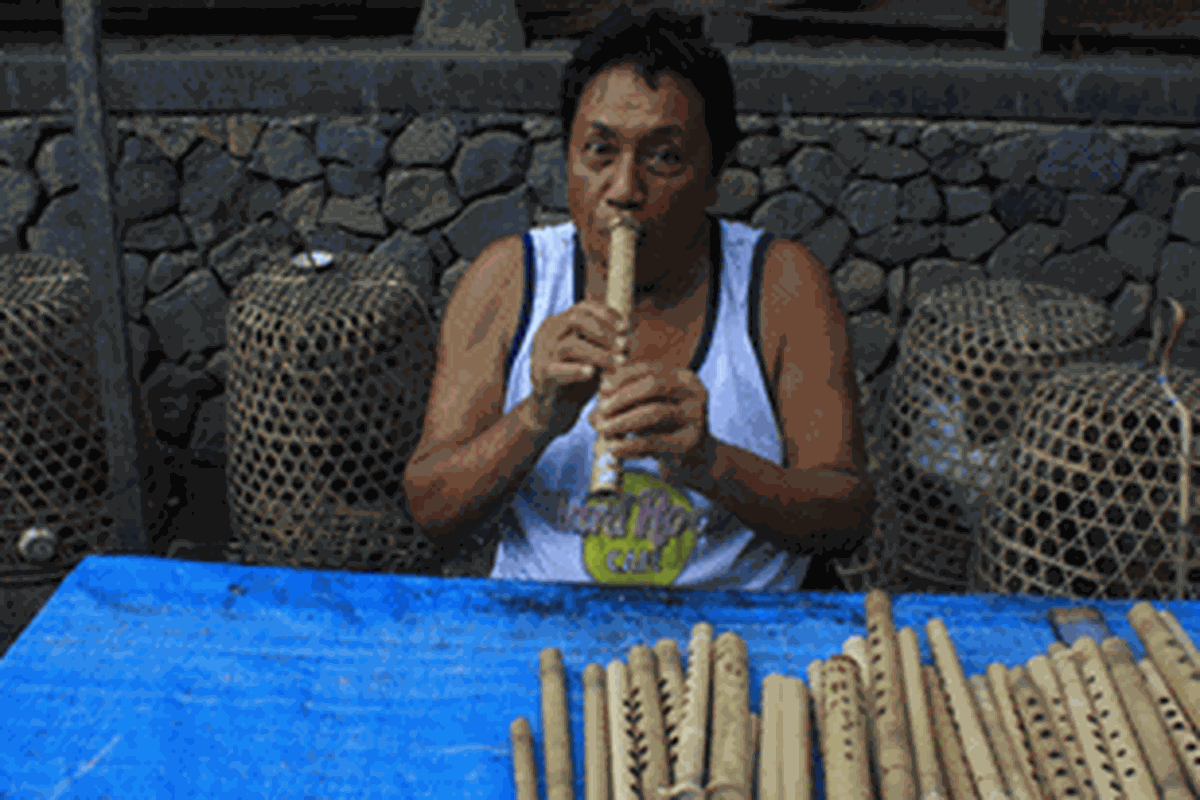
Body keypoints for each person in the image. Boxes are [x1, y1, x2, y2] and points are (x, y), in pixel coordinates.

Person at [402, 9, 875, 591]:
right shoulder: (509, 278)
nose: (624, 191)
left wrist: (710, 463)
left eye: (664, 157)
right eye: (599, 151)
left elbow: (846, 518)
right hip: (542, 630)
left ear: (715, 173)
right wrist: (537, 418)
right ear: (568, 158)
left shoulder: (780, 283)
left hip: (735, 638)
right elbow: (432, 516)